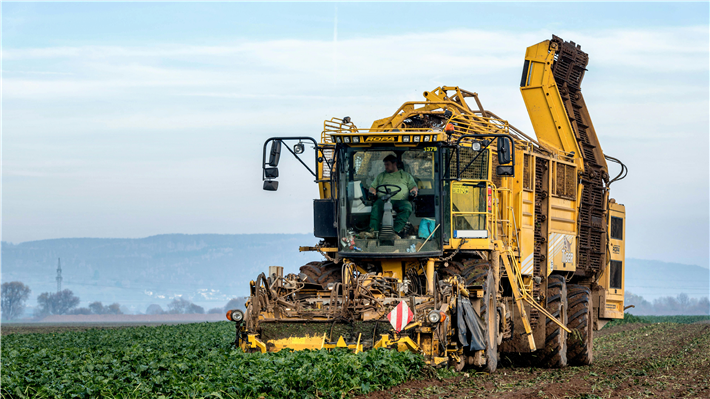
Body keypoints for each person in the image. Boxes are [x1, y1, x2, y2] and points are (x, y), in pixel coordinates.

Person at [366, 154, 418, 237]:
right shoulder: (381, 176)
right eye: (385, 165)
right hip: (383, 200)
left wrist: (413, 191)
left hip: (400, 200)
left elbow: (414, 187)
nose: (386, 167)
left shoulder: (405, 175)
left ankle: (396, 232)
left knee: (407, 207)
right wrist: (372, 192)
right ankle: (373, 231)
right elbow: (372, 187)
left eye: (388, 164)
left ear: (394, 164)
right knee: (376, 206)